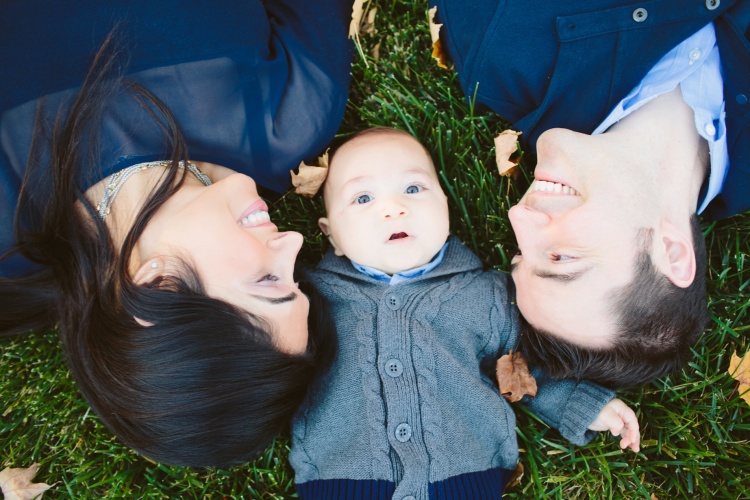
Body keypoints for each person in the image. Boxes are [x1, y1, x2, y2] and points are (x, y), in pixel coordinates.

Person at [0, 0, 352, 466]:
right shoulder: (295, 113)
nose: (293, 244)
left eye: (268, 281)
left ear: (158, 287)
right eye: (295, 279)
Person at [289, 128, 640, 498]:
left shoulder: (487, 295)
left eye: (412, 189)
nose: (393, 208)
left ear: (445, 204)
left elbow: (525, 364)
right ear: (332, 236)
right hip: (342, 480)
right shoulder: (308, 300)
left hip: (465, 479)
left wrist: (579, 403)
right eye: (363, 198)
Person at [429, 0, 750, 388]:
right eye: (561, 257)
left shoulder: (501, 53)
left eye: (519, 254)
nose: (519, 217)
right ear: (672, 251)